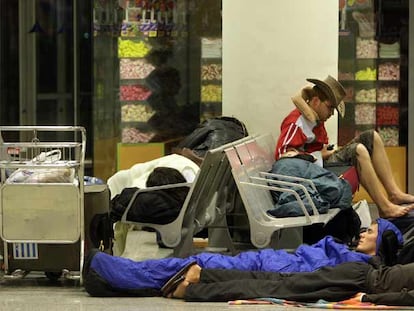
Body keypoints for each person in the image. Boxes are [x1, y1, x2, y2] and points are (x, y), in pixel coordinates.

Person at [83, 218, 402, 297]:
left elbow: (301, 277)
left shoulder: (357, 267)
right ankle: (121, 273)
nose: (362, 233)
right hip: (270, 262)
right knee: (190, 263)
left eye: (370, 231)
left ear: (381, 246)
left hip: (268, 268)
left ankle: (110, 273)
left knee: (190, 265)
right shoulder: (349, 255)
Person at [160, 220, 414, 306]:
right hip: (359, 281)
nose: (362, 235)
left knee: (277, 283)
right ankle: (194, 286)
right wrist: (370, 300)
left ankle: (203, 276)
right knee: (277, 289)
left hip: (357, 275)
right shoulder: (370, 262)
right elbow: (406, 297)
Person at [274, 75, 414, 218]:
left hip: (321, 163)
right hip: (315, 172)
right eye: (330, 107)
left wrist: (326, 151)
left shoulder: (316, 119)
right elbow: (283, 157)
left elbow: (319, 147)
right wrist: (319, 155)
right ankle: (385, 208)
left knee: (372, 137)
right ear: (316, 101)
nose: (331, 114)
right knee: (358, 150)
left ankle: (394, 193)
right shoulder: (296, 122)